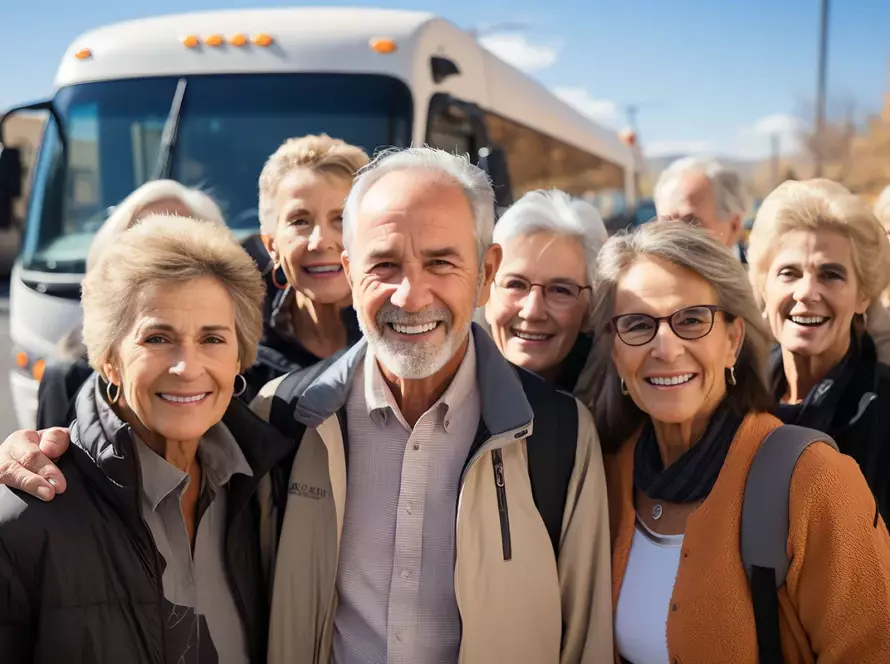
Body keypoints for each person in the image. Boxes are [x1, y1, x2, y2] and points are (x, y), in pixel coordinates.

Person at [0, 148, 613, 664]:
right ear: (349, 271)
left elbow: (585, 640)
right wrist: (32, 453)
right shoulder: (281, 420)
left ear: (485, 273)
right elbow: (143, 419)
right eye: (384, 264)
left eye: (440, 262)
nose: (410, 292)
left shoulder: (558, 432)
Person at [578, 219, 890, 662]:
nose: (665, 348)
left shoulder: (814, 480)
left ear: (733, 340)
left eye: (691, 320)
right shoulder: (608, 475)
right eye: (637, 324)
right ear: (614, 350)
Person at [0, 215, 296, 663]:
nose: (187, 367)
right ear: (109, 359)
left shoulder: (266, 487)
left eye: (213, 338)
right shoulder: (27, 518)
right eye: (158, 338)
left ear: (241, 356)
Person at [747, 179, 890, 518]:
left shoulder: (884, 410)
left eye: (831, 275)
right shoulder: (734, 398)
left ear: (863, 295)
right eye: (788, 273)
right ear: (763, 287)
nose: (806, 292)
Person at [35, 180, 227, 429]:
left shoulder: (248, 355)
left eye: (182, 246)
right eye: (144, 245)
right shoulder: (70, 371)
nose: (164, 261)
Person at [245, 134, 369, 401]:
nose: (320, 242)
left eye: (341, 219)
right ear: (271, 245)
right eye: (300, 221)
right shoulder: (240, 357)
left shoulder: (408, 337)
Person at [483, 188, 606, 393]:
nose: (532, 311)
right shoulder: (439, 386)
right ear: (486, 294)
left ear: (590, 310)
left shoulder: (618, 412)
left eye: (560, 290)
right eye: (515, 284)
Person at [653, 156, 751, 262]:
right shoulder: (640, 273)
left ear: (734, 226)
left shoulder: (757, 275)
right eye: (666, 226)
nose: (675, 241)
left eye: (690, 225)